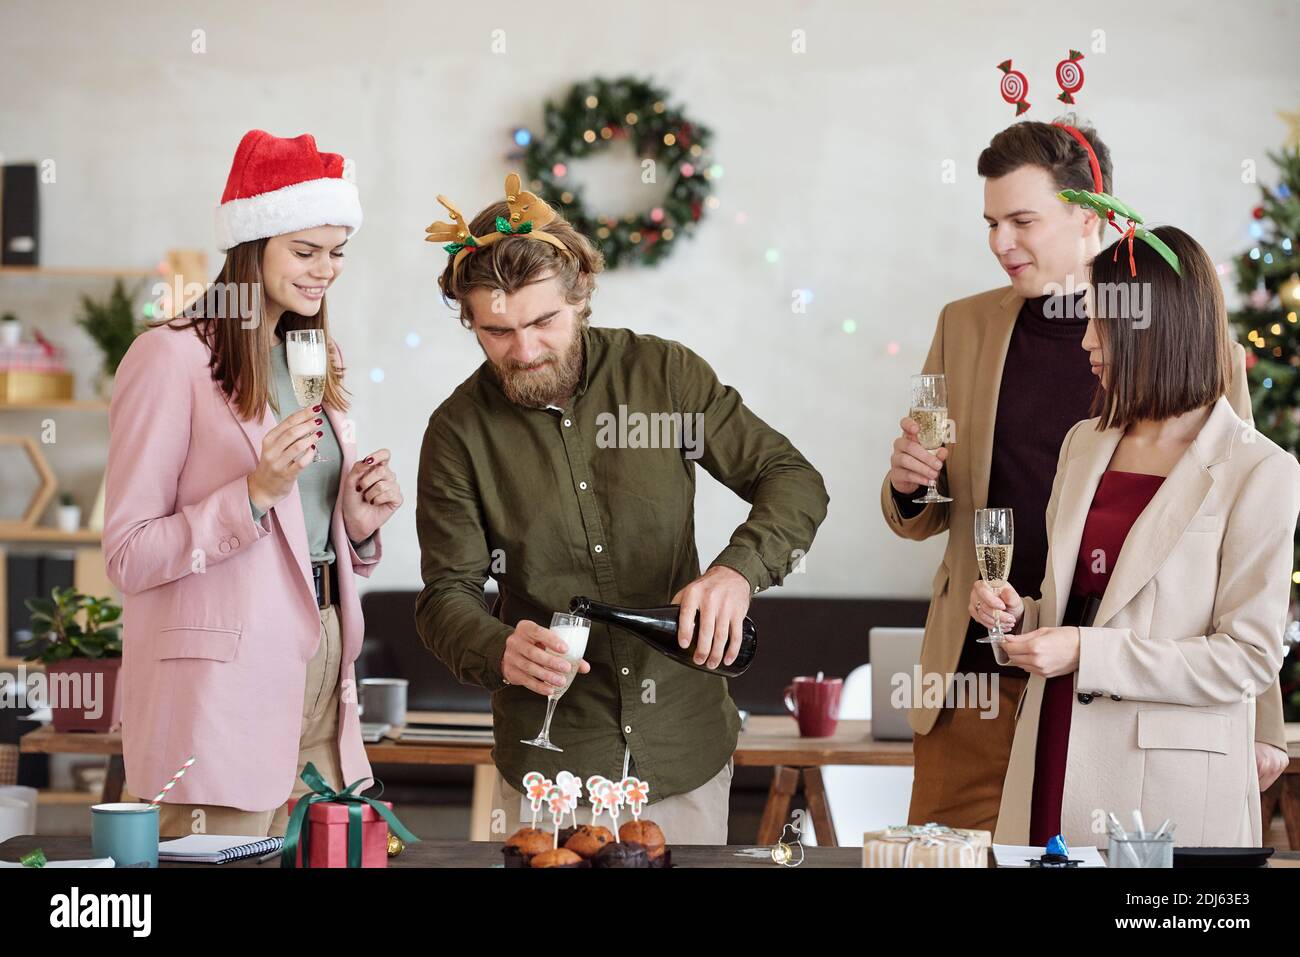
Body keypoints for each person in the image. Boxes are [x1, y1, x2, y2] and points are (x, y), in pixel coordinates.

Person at [881, 118, 1288, 833]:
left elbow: (1238, 522)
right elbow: (931, 505)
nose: (1000, 242)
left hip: (1123, 693)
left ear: (1087, 212)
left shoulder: (1198, 347)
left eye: (1021, 220)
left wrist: (1259, 720)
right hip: (980, 669)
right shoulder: (965, 325)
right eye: (990, 222)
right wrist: (909, 486)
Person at [414, 175, 828, 843]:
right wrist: (498, 646)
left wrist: (737, 572)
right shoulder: (457, 431)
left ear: (581, 294)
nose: (523, 351)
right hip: (553, 763)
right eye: (496, 330)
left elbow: (792, 477)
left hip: (684, 749)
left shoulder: (665, 376)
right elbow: (445, 595)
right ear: (470, 319)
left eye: (544, 321)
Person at [104, 130, 402, 836]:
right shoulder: (168, 357)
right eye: (304, 250)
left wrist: (355, 524)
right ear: (251, 246)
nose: (324, 269)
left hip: (326, 663)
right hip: (219, 690)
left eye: (336, 252)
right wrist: (251, 495)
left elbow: (303, 527)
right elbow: (129, 554)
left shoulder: (311, 354)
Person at [970, 223, 1300, 846]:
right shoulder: (1084, 442)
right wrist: (1018, 617)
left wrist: (1085, 654)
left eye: (1100, 322)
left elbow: (1247, 660)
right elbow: (1076, 609)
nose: (1087, 339)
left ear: (1155, 327)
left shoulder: (1260, 470)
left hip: (1170, 783)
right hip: (1053, 746)